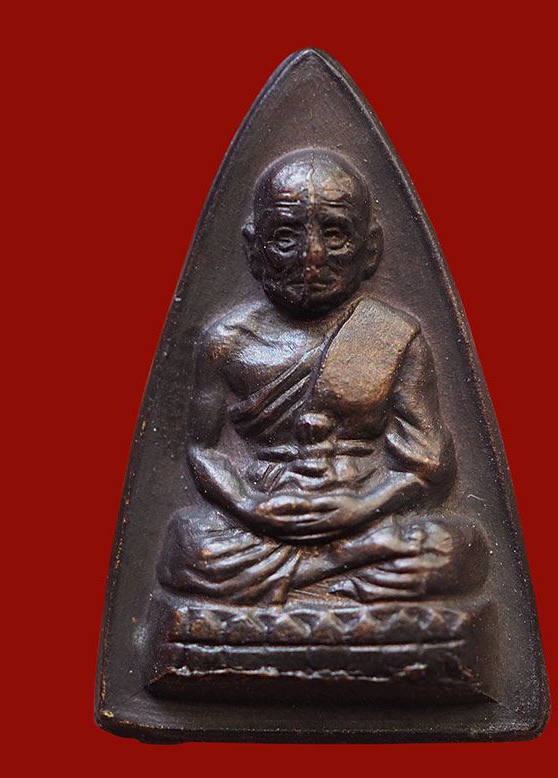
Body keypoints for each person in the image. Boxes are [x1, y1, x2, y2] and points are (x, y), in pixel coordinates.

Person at [158, 149, 485, 605]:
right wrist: (249, 506)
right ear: (254, 248)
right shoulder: (227, 341)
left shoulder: (393, 336)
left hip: (365, 508)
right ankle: (337, 571)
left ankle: (308, 576)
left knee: (459, 546)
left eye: (335, 235)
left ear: (370, 249)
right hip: (264, 514)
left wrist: (361, 507)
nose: (311, 258)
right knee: (189, 545)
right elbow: (202, 448)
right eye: (285, 237)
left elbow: (428, 466)